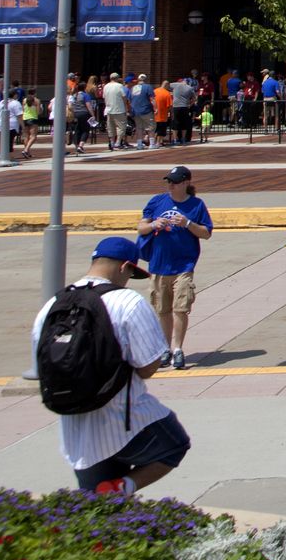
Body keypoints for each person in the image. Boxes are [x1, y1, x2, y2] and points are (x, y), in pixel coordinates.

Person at [31, 237, 191, 494]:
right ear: (124, 266)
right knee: (173, 444)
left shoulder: (52, 305)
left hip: (75, 424)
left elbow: (41, 366)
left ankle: (112, 496)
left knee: (96, 503)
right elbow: (147, 367)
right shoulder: (128, 301)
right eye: (131, 273)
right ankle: (123, 486)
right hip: (124, 417)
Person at [136, 165, 213, 369]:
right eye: (168, 181)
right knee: (162, 310)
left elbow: (206, 233)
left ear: (186, 183)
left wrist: (187, 223)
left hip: (184, 265)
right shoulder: (157, 201)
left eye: (175, 182)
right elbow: (141, 227)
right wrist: (154, 225)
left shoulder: (196, 205)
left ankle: (178, 349)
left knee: (180, 308)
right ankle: (165, 349)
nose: (170, 185)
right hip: (159, 265)